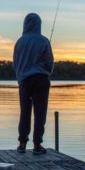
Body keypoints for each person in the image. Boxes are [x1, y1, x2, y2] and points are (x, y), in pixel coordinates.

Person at [13, 13, 54, 155]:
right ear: (39, 24)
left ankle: (22, 143)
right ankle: (37, 145)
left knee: (25, 112)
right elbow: (49, 62)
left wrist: (20, 77)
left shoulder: (19, 42)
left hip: (24, 80)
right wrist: (47, 73)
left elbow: (16, 62)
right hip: (41, 79)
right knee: (40, 112)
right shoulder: (44, 41)